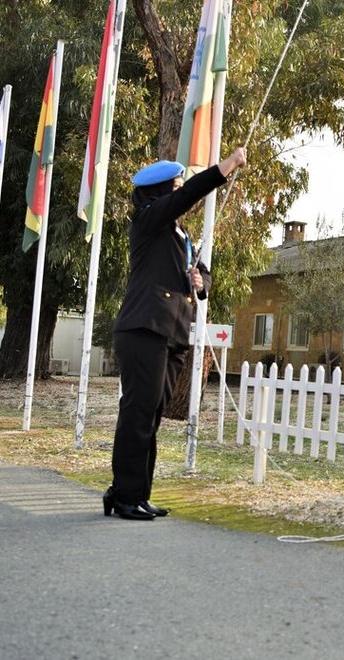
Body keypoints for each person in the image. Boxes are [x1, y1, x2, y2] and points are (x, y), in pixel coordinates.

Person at [103, 147, 247, 521]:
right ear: (161, 191)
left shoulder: (179, 233)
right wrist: (225, 167)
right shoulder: (149, 219)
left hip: (172, 332)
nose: (181, 192)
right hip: (144, 328)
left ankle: (136, 494)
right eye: (177, 186)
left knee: (151, 415)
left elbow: (200, 271)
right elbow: (189, 196)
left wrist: (202, 283)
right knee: (138, 414)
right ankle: (124, 497)